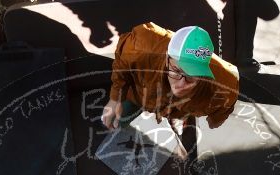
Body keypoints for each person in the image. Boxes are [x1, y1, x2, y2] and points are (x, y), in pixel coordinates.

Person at [101, 22, 239, 132]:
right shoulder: (140, 47)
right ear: (167, 58)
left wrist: (216, 120)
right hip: (139, 95)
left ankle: (174, 117)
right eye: (176, 71)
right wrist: (115, 99)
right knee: (119, 119)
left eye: (192, 76)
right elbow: (122, 63)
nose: (182, 85)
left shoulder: (226, 85)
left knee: (181, 112)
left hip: (177, 110)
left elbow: (224, 108)